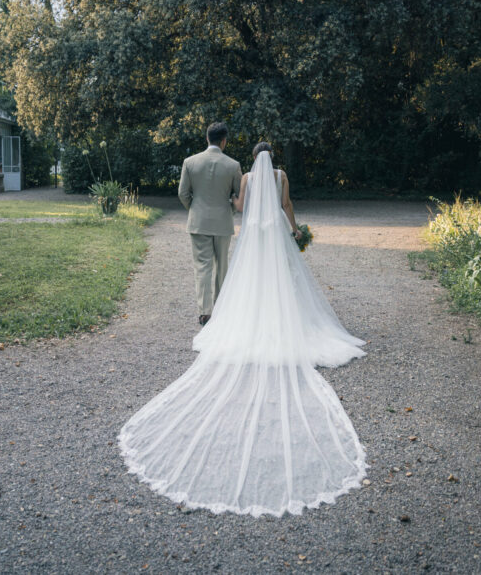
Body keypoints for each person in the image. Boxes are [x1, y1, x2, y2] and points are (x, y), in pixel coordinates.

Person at [119, 143, 368, 517]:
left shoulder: (249, 177)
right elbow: (285, 207)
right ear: (274, 156)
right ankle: (286, 320)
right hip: (276, 236)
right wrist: (296, 229)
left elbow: (239, 207)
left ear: (254, 157)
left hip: (254, 237)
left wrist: (239, 201)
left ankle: (249, 318)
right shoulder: (281, 176)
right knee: (285, 282)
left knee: (249, 282)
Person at [177, 122, 243, 326]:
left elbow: (182, 193)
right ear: (224, 141)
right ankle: (221, 308)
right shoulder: (233, 165)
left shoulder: (190, 162)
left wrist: (195, 209)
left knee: (202, 267)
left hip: (199, 222)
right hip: (223, 221)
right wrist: (229, 210)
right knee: (222, 266)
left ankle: (205, 312)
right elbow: (239, 195)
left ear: (207, 138)